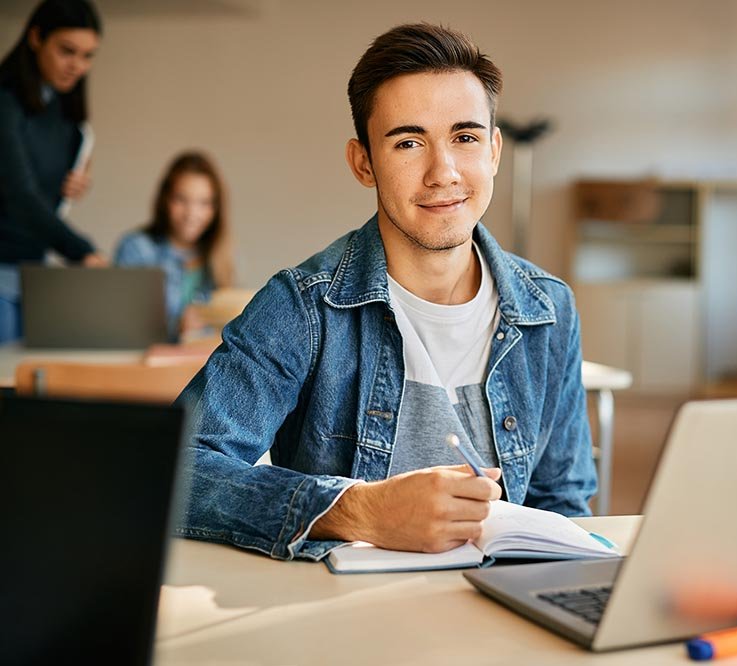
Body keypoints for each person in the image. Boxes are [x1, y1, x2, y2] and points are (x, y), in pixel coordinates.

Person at [177, 23, 596, 561]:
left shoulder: (549, 309)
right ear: (363, 163)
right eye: (408, 142)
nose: (442, 172)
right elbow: (178, 467)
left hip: (499, 615)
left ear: (494, 151)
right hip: (341, 624)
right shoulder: (302, 306)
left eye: (465, 138)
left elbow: (562, 505)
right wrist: (360, 511)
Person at [0, 0, 106, 344]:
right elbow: (18, 195)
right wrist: (82, 250)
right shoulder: (5, 102)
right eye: (67, 51)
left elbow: (42, 198)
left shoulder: (62, 115)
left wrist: (71, 181)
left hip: (32, 274)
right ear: (35, 38)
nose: (77, 66)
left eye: (88, 56)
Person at [114, 151, 235, 341]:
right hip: (151, 367)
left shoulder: (221, 257)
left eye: (204, 203)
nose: (192, 214)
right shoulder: (137, 249)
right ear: (165, 200)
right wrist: (175, 327)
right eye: (181, 199)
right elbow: (121, 327)